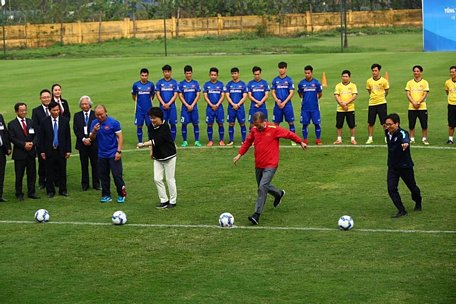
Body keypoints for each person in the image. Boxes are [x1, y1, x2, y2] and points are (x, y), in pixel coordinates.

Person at [233, 112, 307, 225]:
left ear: (264, 121)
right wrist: (239, 154)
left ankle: (256, 215)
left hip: (271, 164)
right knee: (262, 186)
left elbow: (288, 134)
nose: (257, 127)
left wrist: (300, 141)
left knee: (262, 187)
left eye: (258, 125)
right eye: (255, 125)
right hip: (259, 164)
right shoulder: (254, 131)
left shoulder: (274, 129)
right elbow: (247, 142)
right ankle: (278, 193)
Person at [137, 107, 177, 209]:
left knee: (170, 179)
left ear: (160, 118)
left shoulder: (165, 127)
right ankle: (164, 200)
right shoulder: (151, 126)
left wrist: (143, 144)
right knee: (157, 179)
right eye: (151, 118)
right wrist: (151, 151)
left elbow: (156, 141)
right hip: (158, 157)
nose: (152, 120)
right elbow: (152, 139)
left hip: (169, 156)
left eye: (154, 118)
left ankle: (173, 201)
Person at [385, 113, 422, 218]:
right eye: (386, 125)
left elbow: (406, 138)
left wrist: (406, 143)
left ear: (397, 124)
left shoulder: (402, 133)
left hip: (405, 166)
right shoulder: (387, 132)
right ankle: (401, 210)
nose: (388, 127)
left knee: (412, 187)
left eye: (390, 124)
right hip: (392, 166)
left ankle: (418, 200)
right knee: (391, 188)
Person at [89, 105, 126, 203]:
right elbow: (91, 139)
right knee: (103, 176)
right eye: (97, 115)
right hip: (101, 154)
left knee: (117, 175)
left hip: (113, 153)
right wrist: (94, 131)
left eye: (101, 115)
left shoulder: (113, 122)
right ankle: (106, 195)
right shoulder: (94, 123)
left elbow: (120, 137)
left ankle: (121, 194)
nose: (99, 117)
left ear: (106, 112)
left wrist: (118, 151)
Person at [39, 101, 71, 198]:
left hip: (61, 150)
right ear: (50, 111)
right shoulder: (44, 122)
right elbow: (42, 138)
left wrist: (68, 150)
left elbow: (67, 137)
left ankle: (63, 190)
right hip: (50, 150)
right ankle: (50, 191)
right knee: (49, 172)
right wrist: (42, 151)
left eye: (57, 110)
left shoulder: (64, 121)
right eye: (54, 110)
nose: (56, 112)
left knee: (62, 171)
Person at [8, 102, 40, 201]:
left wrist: (32, 144)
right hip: (19, 154)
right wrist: (24, 145)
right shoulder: (12, 124)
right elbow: (12, 138)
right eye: (21, 110)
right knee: (19, 175)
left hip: (31, 153)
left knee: (32, 174)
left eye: (25, 110)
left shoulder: (31, 122)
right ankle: (19, 193)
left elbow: (36, 135)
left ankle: (31, 192)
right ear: (16, 111)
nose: (24, 112)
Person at [73, 95, 100, 191]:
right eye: (82, 104)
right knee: (84, 165)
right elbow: (76, 129)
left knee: (95, 164)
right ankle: (85, 184)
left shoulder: (95, 114)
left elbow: (98, 127)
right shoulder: (77, 115)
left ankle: (96, 184)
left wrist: (90, 139)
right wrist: (83, 139)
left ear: (90, 104)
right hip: (82, 144)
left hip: (94, 143)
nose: (84, 106)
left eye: (86, 104)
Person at [297, 65, 323, 145]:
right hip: (305, 108)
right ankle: (305, 139)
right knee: (305, 124)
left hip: (315, 108)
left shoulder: (317, 83)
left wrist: (314, 100)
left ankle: (318, 139)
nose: (307, 75)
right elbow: (300, 94)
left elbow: (320, 94)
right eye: (305, 73)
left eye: (308, 73)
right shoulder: (301, 83)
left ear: (312, 73)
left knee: (317, 123)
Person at [271, 61, 296, 145]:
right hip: (277, 105)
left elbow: (291, 93)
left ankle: (293, 139)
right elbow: (273, 92)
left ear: (286, 69)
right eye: (280, 68)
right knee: (276, 123)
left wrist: (284, 102)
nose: (281, 70)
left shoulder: (289, 80)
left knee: (291, 122)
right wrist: (277, 100)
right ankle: (275, 139)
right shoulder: (275, 80)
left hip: (287, 104)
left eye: (283, 68)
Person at [32, 89, 52, 189]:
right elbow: (35, 127)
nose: (46, 99)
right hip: (42, 141)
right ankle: (42, 181)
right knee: (42, 162)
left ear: (51, 97)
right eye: (44, 97)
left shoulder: (55, 108)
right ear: (40, 98)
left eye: (48, 97)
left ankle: (54, 180)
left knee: (54, 161)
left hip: (54, 141)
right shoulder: (36, 111)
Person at [178, 65, 202, 147]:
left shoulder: (196, 83)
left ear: (192, 73)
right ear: (184, 73)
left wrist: (192, 105)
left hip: (194, 107)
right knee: (184, 124)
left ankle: (197, 141)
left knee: (196, 124)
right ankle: (185, 141)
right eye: (187, 73)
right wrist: (187, 105)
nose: (188, 75)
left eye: (190, 73)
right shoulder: (181, 84)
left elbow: (198, 95)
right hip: (185, 108)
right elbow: (180, 96)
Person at [405, 65, 430, 145]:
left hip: (422, 107)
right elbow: (408, 94)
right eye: (415, 71)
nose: (416, 73)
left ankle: (424, 139)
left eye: (417, 71)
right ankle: (412, 139)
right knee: (411, 124)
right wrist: (413, 102)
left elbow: (425, 94)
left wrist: (419, 102)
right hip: (412, 107)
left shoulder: (425, 82)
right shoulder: (409, 83)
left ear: (421, 72)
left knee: (424, 124)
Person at [365, 63, 389, 144]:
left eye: (375, 70)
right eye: (373, 71)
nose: (374, 72)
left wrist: (381, 97)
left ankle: (386, 137)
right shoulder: (369, 81)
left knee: (384, 122)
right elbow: (369, 91)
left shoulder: (384, 81)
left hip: (382, 103)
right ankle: (370, 138)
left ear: (379, 71)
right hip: (372, 104)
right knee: (370, 122)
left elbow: (386, 91)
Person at [333, 70, 358, 145]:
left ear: (349, 77)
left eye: (346, 76)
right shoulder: (338, 86)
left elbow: (354, 96)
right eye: (343, 76)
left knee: (352, 125)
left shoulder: (353, 85)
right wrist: (342, 104)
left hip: (350, 108)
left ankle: (353, 139)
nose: (345, 78)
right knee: (339, 124)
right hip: (340, 109)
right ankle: (339, 139)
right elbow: (336, 96)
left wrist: (346, 103)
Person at [203, 67, 226, 146]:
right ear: (209, 75)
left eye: (215, 75)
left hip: (219, 108)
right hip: (210, 108)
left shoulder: (221, 84)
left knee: (220, 123)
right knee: (209, 124)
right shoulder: (206, 84)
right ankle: (210, 140)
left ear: (217, 75)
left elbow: (222, 96)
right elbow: (205, 96)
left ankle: (221, 140)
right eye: (212, 75)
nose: (213, 76)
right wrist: (211, 104)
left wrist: (217, 104)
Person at [132, 68, 155, 144]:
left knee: (149, 126)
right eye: (142, 75)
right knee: (139, 125)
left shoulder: (151, 85)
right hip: (139, 109)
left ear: (148, 76)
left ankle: (149, 141)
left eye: (145, 75)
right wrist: (138, 103)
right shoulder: (136, 85)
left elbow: (152, 95)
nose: (144, 77)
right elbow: (134, 96)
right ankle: (140, 142)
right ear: (140, 75)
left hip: (148, 110)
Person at [156, 64, 178, 141]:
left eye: (168, 72)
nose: (167, 73)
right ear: (163, 72)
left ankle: (172, 141)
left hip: (171, 107)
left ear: (171, 72)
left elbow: (175, 94)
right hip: (162, 107)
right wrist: (163, 103)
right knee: (162, 124)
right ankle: (163, 141)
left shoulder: (175, 82)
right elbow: (158, 94)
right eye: (165, 72)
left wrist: (168, 104)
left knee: (173, 124)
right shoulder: (159, 82)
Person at [225, 67, 248, 145]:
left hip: (240, 107)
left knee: (242, 123)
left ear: (238, 74)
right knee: (231, 123)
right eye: (232, 74)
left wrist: (238, 104)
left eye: (235, 73)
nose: (234, 75)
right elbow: (227, 96)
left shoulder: (243, 84)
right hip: (231, 107)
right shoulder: (229, 84)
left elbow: (244, 96)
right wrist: (233, 104)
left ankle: (244, 140)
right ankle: (231, 140)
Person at [0, 113, 12, 202]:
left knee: (1, 173)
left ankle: (0, 195)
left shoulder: (0, 116)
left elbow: (4, 132)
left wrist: (8, 147)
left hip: (1, 150)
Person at [444, 65, 456, 144]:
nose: (452, 73)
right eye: (451, 72)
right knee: (451, 123)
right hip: (451, 105)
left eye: (453, 72)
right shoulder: (447, 82)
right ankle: (450, 139)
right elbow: (447, 92)